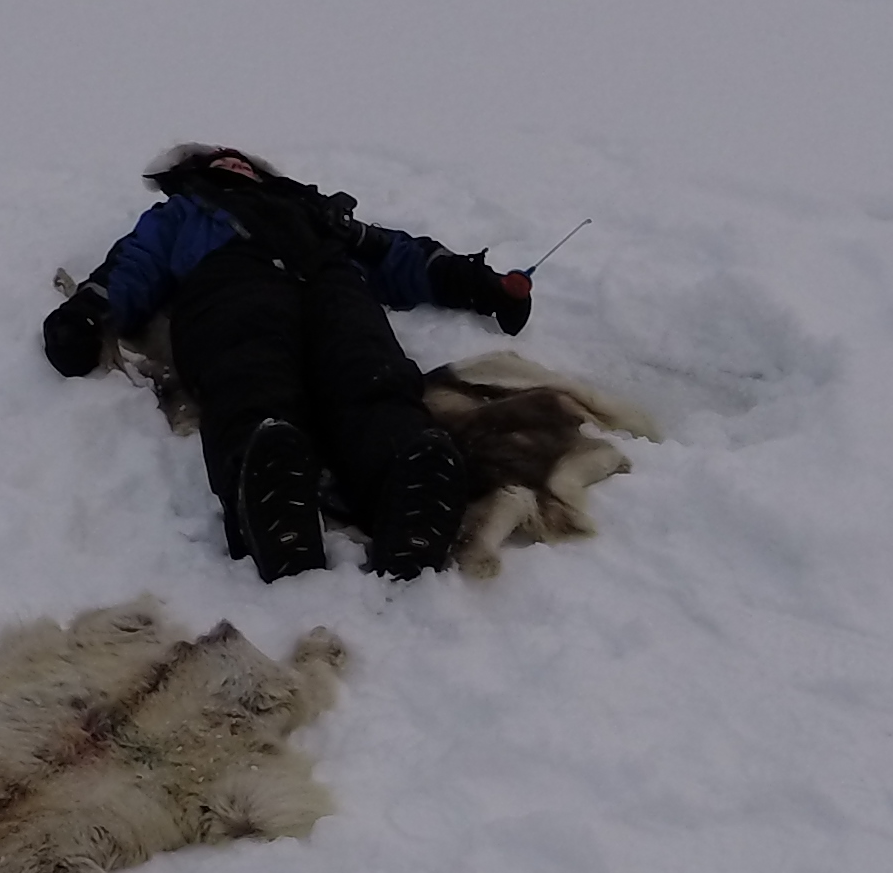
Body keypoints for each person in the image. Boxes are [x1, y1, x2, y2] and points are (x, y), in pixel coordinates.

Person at [43, 145, 537, 582]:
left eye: (241, 158)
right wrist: (87, 315)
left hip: (330, 283)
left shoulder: (320, 214)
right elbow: (135, 264)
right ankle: (266, 493)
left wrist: (485, 286)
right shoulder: (183, 211)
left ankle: (408, 486)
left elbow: (399, 256)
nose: (233, 160)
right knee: (250, 376)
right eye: (218, 160)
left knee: (369, 371)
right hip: (230, 284)